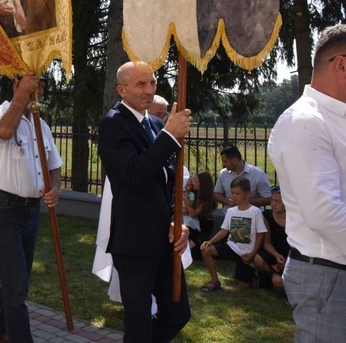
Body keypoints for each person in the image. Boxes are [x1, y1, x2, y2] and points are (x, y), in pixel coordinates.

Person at [97, 61, 192, 343]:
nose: (149, 90)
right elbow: (135, 175)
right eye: (140, 84)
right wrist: (169, 135)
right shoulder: (113, 123)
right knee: (138, 325)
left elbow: (168, 182)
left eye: (152, 82)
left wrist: (178, 220)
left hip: (165, 238)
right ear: (122, 90)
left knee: (178, 314)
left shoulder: (155, 123)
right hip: (135, 244)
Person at [268, 23, 346, 340]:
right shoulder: (305, 122)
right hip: (327, 274)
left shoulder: (332, 119)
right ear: (342, 64)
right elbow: (325, 215)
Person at [0, 73, 62, 343]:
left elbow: (54, 166)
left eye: (41, 83)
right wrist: (21, 96)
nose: (38, 88)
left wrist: (54, 188)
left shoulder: (41, 124)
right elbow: (5, 133)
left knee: (17, 277)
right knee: (17, 284)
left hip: (31, 211)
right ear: (17, 84)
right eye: (33, 83)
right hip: (4, 209)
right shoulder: (0, 112)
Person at [200, 176, 267, 292]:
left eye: (237, 193)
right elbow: (224, 230)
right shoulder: (231, 211)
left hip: (246, 253)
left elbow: (261, 235)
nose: (233, 196)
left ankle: (252, 276)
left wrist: (253, 254)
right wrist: (210, 242)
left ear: (247, 194)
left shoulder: (255, 212)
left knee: (244, 288)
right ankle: (215, 280)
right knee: (206, 250)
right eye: (232, 193)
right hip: (231, 247)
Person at [213, 145, 271, 212]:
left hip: (252, 216)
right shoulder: (223, 174)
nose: (223, 164)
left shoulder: (257, 174)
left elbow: (268, 198)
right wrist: (227, 201)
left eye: (225, 161)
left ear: (234, 160)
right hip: (229, 216)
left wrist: (245, 200)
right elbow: (216, 194)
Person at [253, 185, 288, 291]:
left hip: (292, 255)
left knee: (279, 282)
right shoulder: (266, 215)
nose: (273, 204)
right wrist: (277, 256)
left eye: (278, 201)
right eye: (272, 200)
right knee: (258, 259)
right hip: (275, 253)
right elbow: (266, 241)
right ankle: (273, 274)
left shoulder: (297, 218)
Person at [182, 171, 215, 259]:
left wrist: (184, 199)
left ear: (203, 184)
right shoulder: (193, 193)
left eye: (196, 181)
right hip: (194, 221)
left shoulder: (205, 200)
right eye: (193, 179)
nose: (193, 182)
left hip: (203, 225)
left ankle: (189, 248)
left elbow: (193, 213)